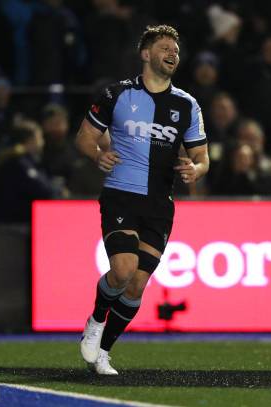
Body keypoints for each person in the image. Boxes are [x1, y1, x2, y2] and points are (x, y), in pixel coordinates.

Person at [75, 25, 209, 375]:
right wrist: (96, 155)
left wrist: (196, 169)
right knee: (122, 271)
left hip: (160, 205)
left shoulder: (187, 104)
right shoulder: (116, 94)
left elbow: (202, 156)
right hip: (121, 195)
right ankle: (95, 319)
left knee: (137, 283)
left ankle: (104, 351)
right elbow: (85, 138)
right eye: (164, 47)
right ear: (146, 53)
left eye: (176, 49)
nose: (172, 53)